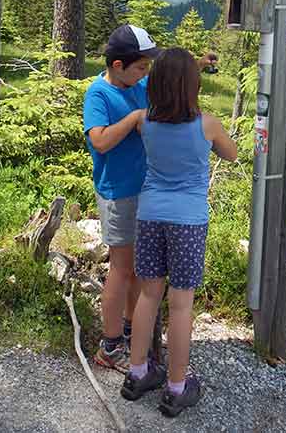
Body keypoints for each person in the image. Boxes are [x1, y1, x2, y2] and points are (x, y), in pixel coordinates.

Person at [83, 25, 216, 371]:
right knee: (122, 270)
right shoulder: (99, 94)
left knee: (142, 274)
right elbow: (98, 141)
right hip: (119, 193)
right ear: (116, 65)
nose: (146, 74)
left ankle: (131, 335)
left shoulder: (137, 84)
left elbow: (164, 80)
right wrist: (132, 119)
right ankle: (110, 346)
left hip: (148, 195)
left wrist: (195, 65)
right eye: (140, 67)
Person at [120, 47, 237, 417]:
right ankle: (175, 386)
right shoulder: (207, 124)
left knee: (148, 297)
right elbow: (231, 154)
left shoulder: (143, 120)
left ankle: (137, 373)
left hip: (150, 214)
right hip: (188, 220)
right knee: (181, 304)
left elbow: (161, 94)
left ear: (154, 83)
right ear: (193, 85)